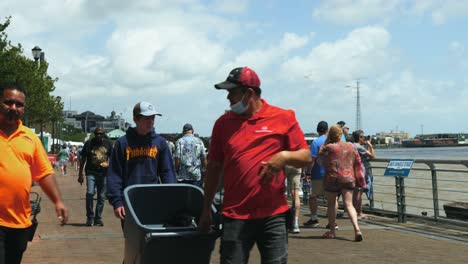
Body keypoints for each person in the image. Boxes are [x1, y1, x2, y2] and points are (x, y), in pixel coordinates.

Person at [198, 66, 312, 263]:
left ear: (249, 93)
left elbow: (306, 156)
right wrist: (206, 209)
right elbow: (214, 168)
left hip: (273, 215)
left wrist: (283, 157)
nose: (228, 98)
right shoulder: (223, 124)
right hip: (235, 215)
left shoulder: (283, 117)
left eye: (232, 92)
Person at [0, 83, 68, 264]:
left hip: (20, 221)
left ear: (24, 109)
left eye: (19, 104)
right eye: (8, 102)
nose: (13, 107)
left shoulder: (30, 137)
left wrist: (58, 201)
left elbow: (44, 173)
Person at [106, 101, 176, 223]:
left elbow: (167, 172)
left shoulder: (160, 143)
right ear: (135, 119)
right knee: (134, 240)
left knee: (155, 239)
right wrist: (117, 201)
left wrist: (172, 196)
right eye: (146, 118)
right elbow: (114, 174)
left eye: (153, 118)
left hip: (154, 201)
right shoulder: (122, 143)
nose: (151, 121)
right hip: (129, 202)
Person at [318, 125, 366, 241]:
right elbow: (358, 161)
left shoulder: (328, 147)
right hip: (348, 177)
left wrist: (326, 141)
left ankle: (332, 231)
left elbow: (319, 160)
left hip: (333, 178)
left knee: (331, 203)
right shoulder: (351, 146)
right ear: (341, 135)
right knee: (349, 204)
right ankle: (357, 230)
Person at [78, 127, 113, 226]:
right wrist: (80, 174)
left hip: (104, 174)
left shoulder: (108, 143)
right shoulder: (89, 143)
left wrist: (109, 164)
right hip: (91, 172)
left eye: (100, 134)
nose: (98, 135)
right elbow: (83, 158)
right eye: (97, 133)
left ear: (103, 134)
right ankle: (90, 217)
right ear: (94, 134)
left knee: (101, 197)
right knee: (89, 193)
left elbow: (113, 157)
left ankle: (98, 218)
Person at [303, 121, 329, 228]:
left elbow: (312, 160)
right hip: (331, 174)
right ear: (327, 130)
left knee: (313, 197)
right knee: (332, 199)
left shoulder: (315, 143)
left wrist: (308, 172)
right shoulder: (332, 142)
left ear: (317, 130)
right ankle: (332, 222)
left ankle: (314, 219)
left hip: (318, 174)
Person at [352, 130, 376, 219]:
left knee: (356, 192)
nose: (364, 138)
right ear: (360, 138)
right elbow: (373, 156)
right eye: (363, 137)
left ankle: (357, 212)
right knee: (358, 193)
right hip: (360, 172)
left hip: (352, 171)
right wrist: (370, 146)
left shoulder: (351, 145)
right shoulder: (359, 147)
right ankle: (358, 213)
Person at [285, 165, 302, 233]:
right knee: (295, 194)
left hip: (284, 163)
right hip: (296, 164)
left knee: (278, 191)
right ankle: (295, 223)